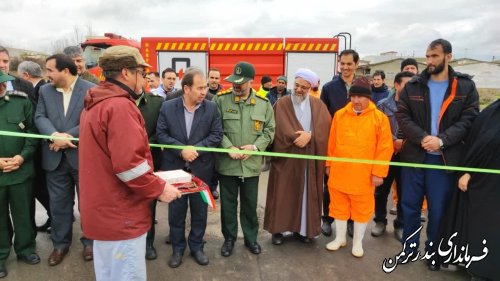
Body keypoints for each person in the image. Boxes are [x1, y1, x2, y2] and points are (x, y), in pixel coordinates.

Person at [78, 46, 181, 281]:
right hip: (121, 216)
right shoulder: (120, 107)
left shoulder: (95, 103)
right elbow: (130, 167)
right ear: (126, 72)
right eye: (141, 73)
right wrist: (160, 189)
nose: (145, 80)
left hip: (102, 214)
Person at [395, 38, 479, 271]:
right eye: (427, 56)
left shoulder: (464, 87)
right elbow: (403, 115)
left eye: (434, 56)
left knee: (438, 210)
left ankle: (434, 253)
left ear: (448, 57)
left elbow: (470, 118)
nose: (429, 61)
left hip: (444, 160)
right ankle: (409, 248)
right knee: (409, 206)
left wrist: (442, 140)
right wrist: (422, 138)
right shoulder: (413, 85)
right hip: (414, 157)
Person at [157, 67, 223, 268]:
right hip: (175, 170)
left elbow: (216, 135)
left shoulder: (211, 107)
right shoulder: (168, 107)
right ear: (186, 88)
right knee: (176, 213)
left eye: (205, 87)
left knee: (199, 212)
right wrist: (181, 150)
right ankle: (178, 249)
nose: (204, 92)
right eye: (200, 88)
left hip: (201, 170)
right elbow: (161, 134)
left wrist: (196, 149)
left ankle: (196, 247)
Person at [34, 54, 95, 266]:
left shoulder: (90, 89)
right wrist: (54, 136)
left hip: (83, 158)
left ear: (65, 71)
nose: (46, 75)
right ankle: (60, 245)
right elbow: (39, 117)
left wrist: (66, 137)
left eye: (50, 70)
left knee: (88, 204)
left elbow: (92, 119)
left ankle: (90, 242)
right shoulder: (44, 90)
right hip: (54, 159)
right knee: (58, 205)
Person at [325, 76, 393, 258]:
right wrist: (329, 164)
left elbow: (385, 148)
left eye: (360, 97)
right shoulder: (339, 115)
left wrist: (378, 173)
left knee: (361, 209)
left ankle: (357, 243)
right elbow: (332, 142)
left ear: (368, 98)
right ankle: (340, 238)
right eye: (352, 97)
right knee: (338, 206)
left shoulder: (379, 118)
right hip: (339, 172)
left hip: (363, 175)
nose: (355, 101)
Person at [213, 61, 275, 257]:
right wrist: (227, 147)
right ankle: (229, 239)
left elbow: (269, 130)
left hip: (250, 165)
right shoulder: (221, 101)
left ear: (251, 81)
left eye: (240, 83)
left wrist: (256, 147)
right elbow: (214, 129)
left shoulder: (264, 105)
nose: (236, 86)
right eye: (234, 82)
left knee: (250, 205)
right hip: (228, 165)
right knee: (228, 206)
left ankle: (250, 238)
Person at [263, 68, 331, 245]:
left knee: (305, 196)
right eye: (297, 85)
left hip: (308, 162)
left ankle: (303, 230)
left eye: (304, 87)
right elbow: (272, 128)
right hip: (286, 160)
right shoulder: (282, 103)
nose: (299, 90)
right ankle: (278, 231)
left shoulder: (318, 105)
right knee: (282, 194)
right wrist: (294, 137)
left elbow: (326, 128)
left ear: (310, 89)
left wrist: (311, 135)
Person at [451, 99, 500, 281]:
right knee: (486, 225)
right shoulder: (493, 112)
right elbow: (482, 142)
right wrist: (469, 171)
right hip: (487, 182)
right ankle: (482, 269)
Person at [0, 71, 40, 278]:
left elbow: (33, 132)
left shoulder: (20, 101)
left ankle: (26, 249)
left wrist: (22, 157)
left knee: (23, 213)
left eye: (2, 83)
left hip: (20, 170)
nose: (1, 87)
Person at [320, 49, 360, 237]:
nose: (345, 67)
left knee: (354, 185)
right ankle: (327, 219)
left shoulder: (363, 86)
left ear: (356, 65)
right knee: (330, 185)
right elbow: (322, 116)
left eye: (349, 64)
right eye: (342, 64)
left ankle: (351, 221)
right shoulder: (329, 88)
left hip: (358, 145)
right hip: (335, 144)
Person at [371, 71, 415, 241]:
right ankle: (380, 221)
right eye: (406, 85)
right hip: (386, 155)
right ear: (396, 85)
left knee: (404, 191)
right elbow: (376, 129)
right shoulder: (382, 105)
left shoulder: (416, 106)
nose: (410, 89)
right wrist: (394, 141)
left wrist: (403, 143)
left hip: (407, 155)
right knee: (381, 191)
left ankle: (401, 224)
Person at [17, 60, 51, 232]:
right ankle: (55, 216)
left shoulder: (39, 90)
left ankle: (57, 215)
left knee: (40, 187)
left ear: (26, 75)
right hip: (38, 147)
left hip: (41, 149)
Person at [133, 78, 165, 260]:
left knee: (148, 205)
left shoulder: (157, 103)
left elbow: (160, 131)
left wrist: (140, 145)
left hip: (150, 161)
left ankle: (148, 243)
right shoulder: (119, 103)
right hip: (122, 162)